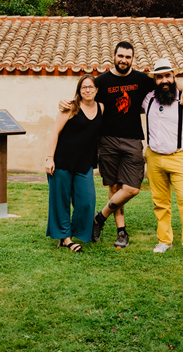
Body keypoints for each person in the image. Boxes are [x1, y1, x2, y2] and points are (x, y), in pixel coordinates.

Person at [63, 41, 183, 248]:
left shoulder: (141, 79)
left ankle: (99, 218)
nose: (124, 60)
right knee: (114, 187)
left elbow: (165, 80)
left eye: (128, 57)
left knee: (132, 188)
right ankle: (121, 232)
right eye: (120, 56)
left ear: (132, 59)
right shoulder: (101, 81)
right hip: (107, 140)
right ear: (114, 55)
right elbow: (84, 97)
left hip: (133, 140)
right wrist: (66, 103)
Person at [142, 58, 183, 262]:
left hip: (180, 157)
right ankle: (164, 240)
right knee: (160, 203)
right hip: (154, 157)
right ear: (154, 80)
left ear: (174, 77)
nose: (164, 80)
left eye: (167, 76)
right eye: (159, 77)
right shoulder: (148, 99)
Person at [45, 74, 103, 252]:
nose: (87, 90)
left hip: (84, 163)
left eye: (90, 87)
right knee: (61, 201)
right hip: (62, 161)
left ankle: (76, 231)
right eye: (84, 87)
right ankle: (66, 238)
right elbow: (55, 133)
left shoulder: (101, 107)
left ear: (96, 90)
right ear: (79, 90)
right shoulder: (70, 108)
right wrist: (50, 158)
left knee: (87, 200)